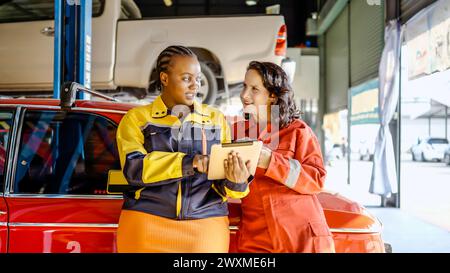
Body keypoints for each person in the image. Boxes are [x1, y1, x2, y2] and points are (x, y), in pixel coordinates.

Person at [116, 45, 251, 253]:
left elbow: (227, 189)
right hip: (145, 224)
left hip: (205, 228)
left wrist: (237, 180)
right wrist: (190, 162)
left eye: (197, 79)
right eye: (186, 78)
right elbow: (135, 169)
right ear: (164, 78)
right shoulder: (137, 119)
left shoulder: (216, 120)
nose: (194, 86)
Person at [233, 61, 335, 253]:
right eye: (244, 86)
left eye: (254, 89)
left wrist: (271, 161)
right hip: (255, 239)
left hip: (301, 235)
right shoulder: (237, 133)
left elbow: (316, 180)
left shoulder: (298, 131)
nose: (244, 95)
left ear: (272, 96)